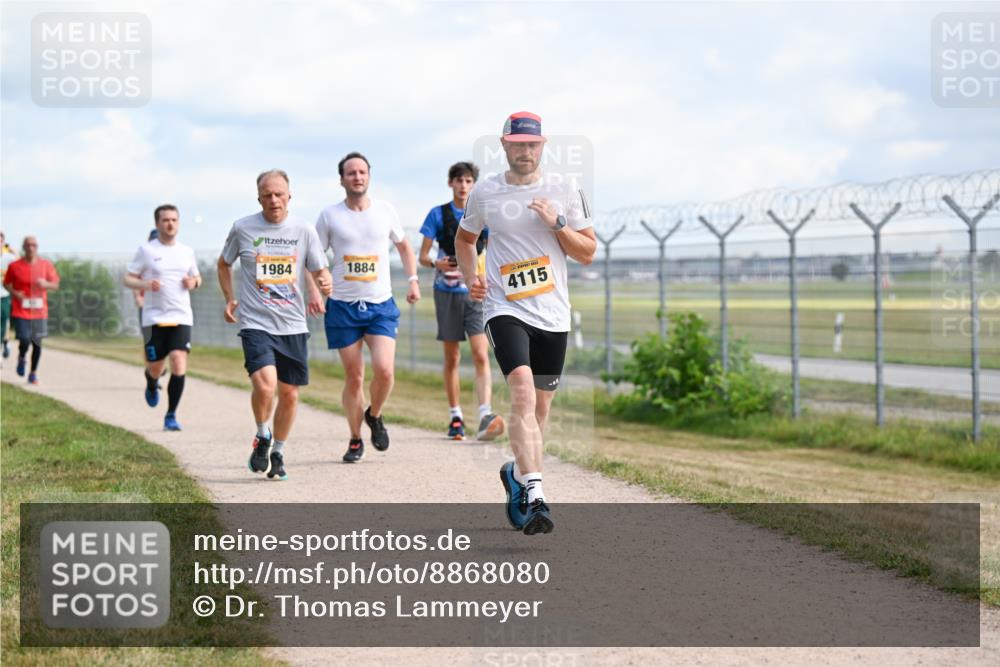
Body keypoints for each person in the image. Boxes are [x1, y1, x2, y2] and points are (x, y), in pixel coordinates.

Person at [456, 112, 596, 535]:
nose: (524, 150)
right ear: (504, 145)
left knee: (539, 409)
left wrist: (557, 224)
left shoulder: (565, 188)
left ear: (543, 145)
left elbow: (587, 251)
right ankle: (535, 492)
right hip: (504, 308)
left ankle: (516, 473)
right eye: (517, 143)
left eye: (531, 144)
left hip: (553, 314)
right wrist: (471, 280)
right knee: (520, 392)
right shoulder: (485, 192)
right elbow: (465, 238)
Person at [218, 170, 332, 480]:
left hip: (293, 324)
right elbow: (223, 263)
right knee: (266, 386)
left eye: (279, 194)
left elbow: (319, 268)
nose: (273, 200)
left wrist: (324, 283)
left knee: (290, 394)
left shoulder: (303, 230)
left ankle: (278, 451)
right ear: (259, 198)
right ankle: (262, 434)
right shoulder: (243, 228)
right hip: (256, 322)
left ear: (289, 196)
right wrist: (229, 298)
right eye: (267, 194)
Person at [315, 152, 420, 463]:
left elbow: (403, 245)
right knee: (355, 377)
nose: (357, 177)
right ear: (342, 179)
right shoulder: (329, 216)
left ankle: (374, 414)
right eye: (351, 173)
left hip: (380, 305)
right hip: (343, 307)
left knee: (385, 372)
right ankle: (355, 438)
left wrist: (413, 280)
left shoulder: (385, 211)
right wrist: (317, 286)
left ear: (369, 176)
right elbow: (315, 257)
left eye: (362, 172)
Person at [418, 161, 504, 441]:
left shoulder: (482, 213)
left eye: (468, 181)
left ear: (474, 184)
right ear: (451, 183)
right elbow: (423, 256)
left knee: (481, 353)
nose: (463, 186)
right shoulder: (438, 215)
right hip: (446, 292)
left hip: (476, 292)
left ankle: (484, 413)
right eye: (459, 181)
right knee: (452, 356)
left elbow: (493, 249)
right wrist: (436, 264)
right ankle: (455, 416)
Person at [123, 205, 200, 431]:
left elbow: (197, 278)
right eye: (166, 220)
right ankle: (152, 380)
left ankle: (171, 415)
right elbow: (128, 279)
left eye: (174, 220)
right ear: (157, 223)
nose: (170, 224)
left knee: (178, 360)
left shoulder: (186, 251)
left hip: (181, 316)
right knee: (156, 366)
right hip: (154, 318)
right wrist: (145, 284)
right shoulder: (146, 251)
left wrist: (192, 283)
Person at [3, 235, 60, 384]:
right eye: (28, 245)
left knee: (37, 343)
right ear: (23, 247)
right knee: (24, 339)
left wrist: (45, 284)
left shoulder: (45, 265)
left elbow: (55, 284)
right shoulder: (15, 266)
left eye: (34, 245)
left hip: (39, 311)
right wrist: (15, 293)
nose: (31, 248)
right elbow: (6, 283)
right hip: (21, 310)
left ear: (37, 247)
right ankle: (22, 357)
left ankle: (33, 373)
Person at [0, 232, 19, 359]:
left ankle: (4, 344)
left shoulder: (8, 257)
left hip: (4, 295)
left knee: (4, 323)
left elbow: (20, 264)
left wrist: (13, 251)